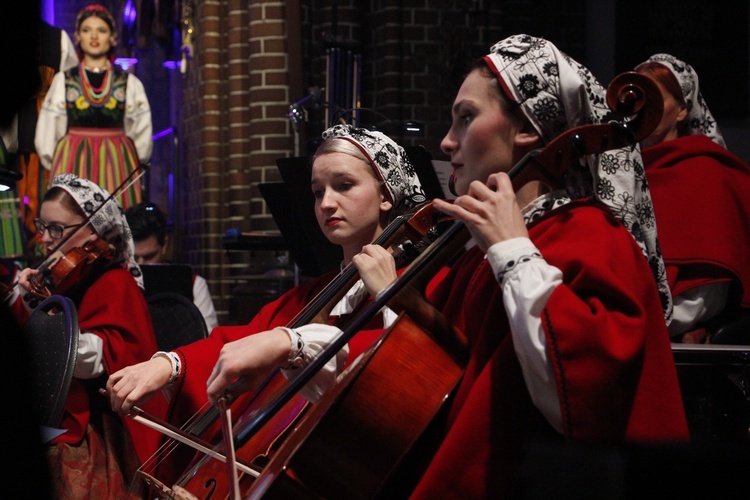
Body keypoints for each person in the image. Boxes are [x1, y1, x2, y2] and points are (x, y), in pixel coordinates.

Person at [105, 124, 426, 486]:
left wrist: (389, 293)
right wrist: (168, 364)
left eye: (344, 185)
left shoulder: (424, 282)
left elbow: (406, 375)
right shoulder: (313, 296)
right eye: (318, 192)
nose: (326, 203)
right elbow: (238, 340)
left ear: (386, 196)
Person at [5, 174, 165, 498]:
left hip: (101, 423)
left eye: (57, 229)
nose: (45, 240)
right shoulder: (61, 279)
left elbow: (101, 358)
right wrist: (21, 303)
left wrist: (45, 325)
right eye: (42, 226)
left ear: (93, 229)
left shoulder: (115, 281)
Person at [635, 54, 750, 343]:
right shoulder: (619, 172)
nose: (642, 108)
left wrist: (646, 323)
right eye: (636, 97)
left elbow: (712, 285)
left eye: (655, 98)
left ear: (682, 110)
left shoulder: (708, 172)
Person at [35, 4, 152, 211]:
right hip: (73, 161)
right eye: (87, 30)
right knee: (72, 215)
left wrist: (132, 161)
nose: (94, 36)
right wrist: (56, 162)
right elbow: (49, 131)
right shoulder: (64, 80)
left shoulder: (129, 83)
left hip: (117, 162)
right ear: (78, 37)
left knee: (115, 219)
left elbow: (140, 133)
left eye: (102, 30)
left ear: (112, 38)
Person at [125, 201, 219, 332]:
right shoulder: (116, 281)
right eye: (134, 258)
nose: (139, 265)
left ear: (164, 244)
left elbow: (207, 338)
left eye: (149, 257)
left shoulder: (195, 285)